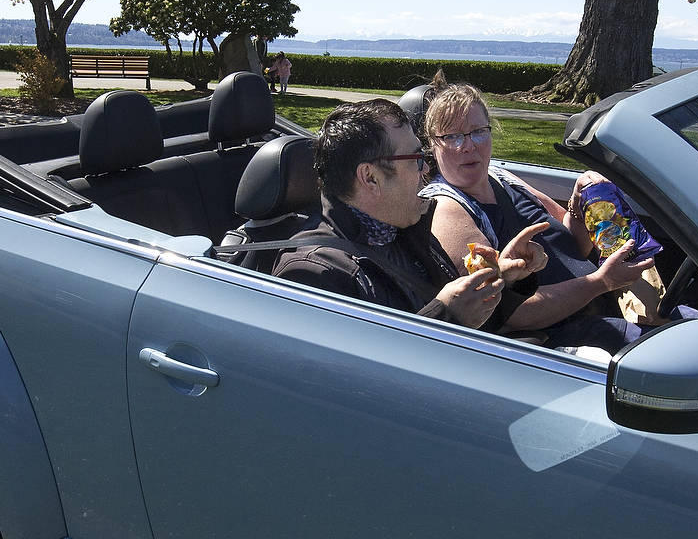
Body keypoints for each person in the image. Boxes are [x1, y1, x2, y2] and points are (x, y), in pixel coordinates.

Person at [419, 82, 657, 351]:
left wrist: (581, 203)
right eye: (452, 137)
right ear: (432, 144)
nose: (468, 146)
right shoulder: (446, 207)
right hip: (565, 339)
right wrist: (601, 282)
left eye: (478, 132)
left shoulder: (501, 176)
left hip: (604, 310)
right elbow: (511, 312)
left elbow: (571, 244)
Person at [273, 99, 549, 331]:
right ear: (370, 178)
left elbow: (479, 329)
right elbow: (349, 381)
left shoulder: (410, 228)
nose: (425, 171)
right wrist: (446, 317)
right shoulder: (313, 273)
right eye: (417, 159)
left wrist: (504, 280)